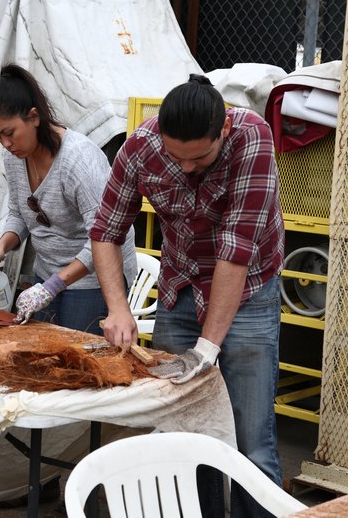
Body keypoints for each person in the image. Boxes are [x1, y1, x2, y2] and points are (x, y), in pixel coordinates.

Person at [90, 74, 284, 517]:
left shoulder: (252, 137)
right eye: (177, 158)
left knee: (250, 440)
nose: (188, 167)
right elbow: (105, 230)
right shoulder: (140, 148)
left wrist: (207, 349)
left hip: (249, 292)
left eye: (200, 157)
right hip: (181, 289)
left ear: (224, 130)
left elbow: (235, 251)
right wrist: (119, 309)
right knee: (184, 437)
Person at [0, 64, 137, 335]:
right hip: (47, 273)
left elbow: (104, 238)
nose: (5, 144)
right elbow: (19, 213)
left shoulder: (78, 160)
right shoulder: (13, 158)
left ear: (34, 117)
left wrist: (51, 287)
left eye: (9, 133)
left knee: (77, 355)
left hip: (93, 280)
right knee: (43, 352)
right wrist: (0, 248)